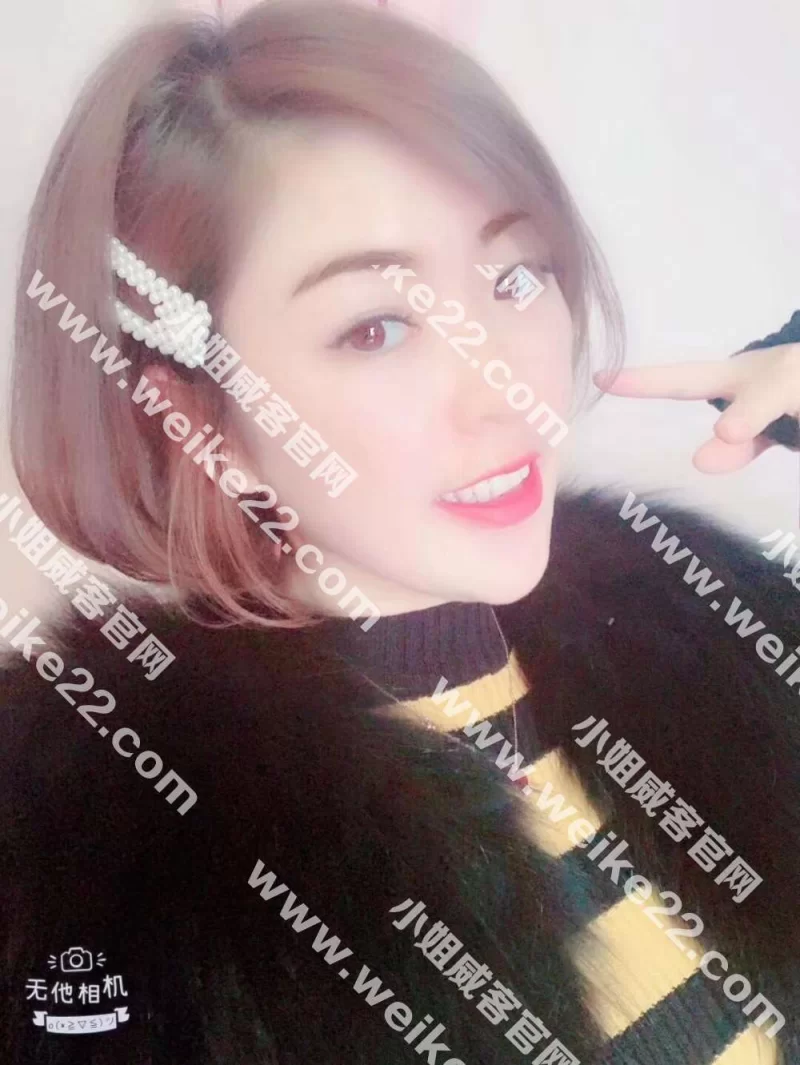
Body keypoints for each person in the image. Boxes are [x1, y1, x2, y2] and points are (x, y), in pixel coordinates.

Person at [2, 1, 799, 1062]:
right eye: (376, 327)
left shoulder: (702, 618)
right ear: (197, 418)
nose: (507, 389)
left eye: (514, 276)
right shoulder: (112, 862)